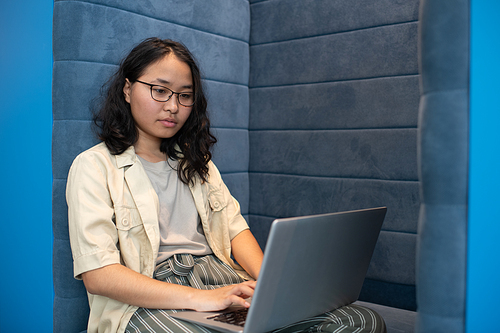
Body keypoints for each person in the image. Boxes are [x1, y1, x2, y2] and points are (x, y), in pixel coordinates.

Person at [66, 37, 386, 333]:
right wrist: (200, 299)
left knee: (359, 321)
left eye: (185, 95)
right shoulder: (94, 167)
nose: (173, 106)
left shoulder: (197, 162)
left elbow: (236, 231)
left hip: (220, 277)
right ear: (127, 89)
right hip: (149, 294)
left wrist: (272, 285)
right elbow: (99, 275)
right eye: (159, 90)